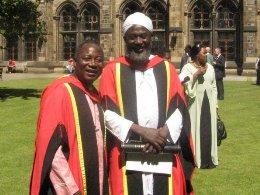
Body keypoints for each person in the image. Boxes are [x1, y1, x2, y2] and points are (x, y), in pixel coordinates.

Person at [99, 12, 194, 195]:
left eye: (143, 35)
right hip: (126, 152)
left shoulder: (166, 68)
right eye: (133, 36)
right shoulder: (112, 70)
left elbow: (179, 108)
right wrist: (142, 132)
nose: (139, 41)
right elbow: (107, 113)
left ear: (151, 37)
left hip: (163, 147)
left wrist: (161, 134)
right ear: (125, 38)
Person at [30, 40, 108, 195]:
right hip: (69, 186)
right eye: (87, 58)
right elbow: (50, 148)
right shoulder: (59, 91)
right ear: (74, 61)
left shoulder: (93, 94)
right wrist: (71, 189)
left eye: (98, 60)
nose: (93, 64)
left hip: (95, 179)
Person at [180, 44, 218, 169]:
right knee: (197, 128)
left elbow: (214, 86)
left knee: (209, 128)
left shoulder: (211, 68)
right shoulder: (187, 68)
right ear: (196, 56)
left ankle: (209, 158)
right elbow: (184, 86)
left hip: (209, 103)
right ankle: (197, 158)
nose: (206, 55)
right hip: (195, 104)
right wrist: (195, 75)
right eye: (203, 53)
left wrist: (216, 105)